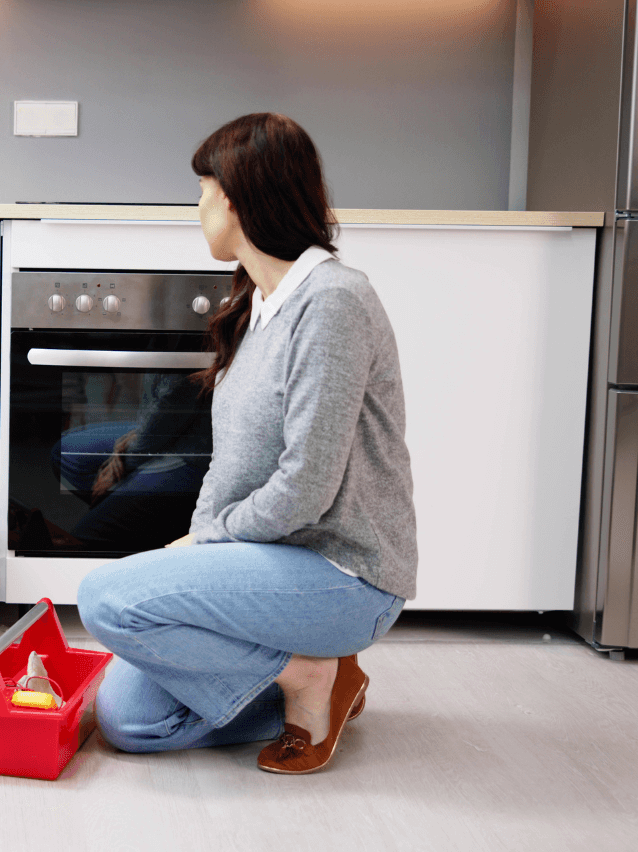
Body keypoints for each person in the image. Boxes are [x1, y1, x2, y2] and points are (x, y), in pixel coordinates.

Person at [77, 114, 416, 774]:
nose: (196, 206)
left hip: (342, 575)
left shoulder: (333, 302)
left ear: (237, 196)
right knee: (131, 721)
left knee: (104, 596)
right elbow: (231, 464)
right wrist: (201, 544)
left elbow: (307, 484)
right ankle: (318, 678)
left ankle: (307, 679)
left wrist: (203, 543)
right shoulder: (257, 305)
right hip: (267, 563)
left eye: (202, 189)